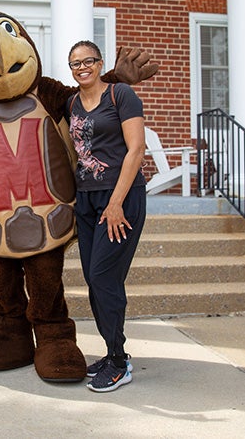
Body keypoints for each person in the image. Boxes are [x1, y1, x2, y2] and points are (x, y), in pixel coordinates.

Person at [65, 40, 147, 393]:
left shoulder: (121, 95)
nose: (82, 67)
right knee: (93, 278)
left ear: (100, 63)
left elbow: (136, 149)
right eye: (74, 63)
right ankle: (112, 351)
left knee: (104, 277)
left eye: (88, 61)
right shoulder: (71, 103)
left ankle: (119, 360)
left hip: (121, 200)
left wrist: (116, 203)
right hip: (86, 201)